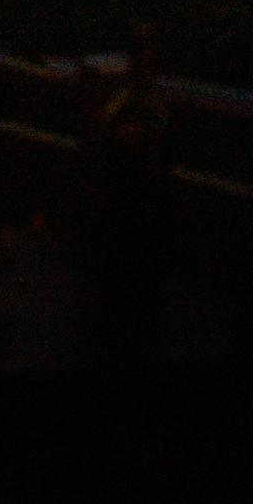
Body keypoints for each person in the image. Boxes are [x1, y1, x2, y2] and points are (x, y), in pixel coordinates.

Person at [75, 25, 176, 344]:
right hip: (133, 185)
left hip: (136, 185)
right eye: (140, 54)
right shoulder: (137, 94)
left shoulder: (143, 95)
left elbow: (113, 128)